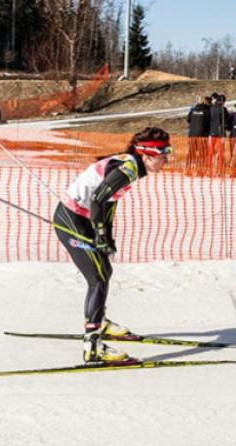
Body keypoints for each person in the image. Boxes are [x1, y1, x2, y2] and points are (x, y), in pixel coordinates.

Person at [53, 127, 173, 363]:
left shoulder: (132, 166)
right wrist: (99, 234)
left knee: (104, 271)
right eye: (164, 153)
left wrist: (105, 235)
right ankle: (93, 346)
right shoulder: (128, 168)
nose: (167, 159)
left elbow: (107, 203)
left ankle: (100, 322)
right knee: (97, 278)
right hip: (71, 218)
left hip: (83, 218)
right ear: (147, 154)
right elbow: (98, 198)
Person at [186, 96, 211, 173]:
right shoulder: (206, 110)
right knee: (202, 152)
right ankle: (201, 168)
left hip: (192, 134)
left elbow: (188, 119)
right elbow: (209, 121)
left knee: (191, 151)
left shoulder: (193, 109)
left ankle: (188, 167)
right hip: (202, 134)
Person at [208, 93, 228, 169]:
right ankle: (220, 166)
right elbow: (227, 120)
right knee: (220, 151)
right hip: (220, 133)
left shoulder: (211, 108)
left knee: (211, 150)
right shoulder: (223, 109)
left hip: (212, 131)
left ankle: (209, 165)